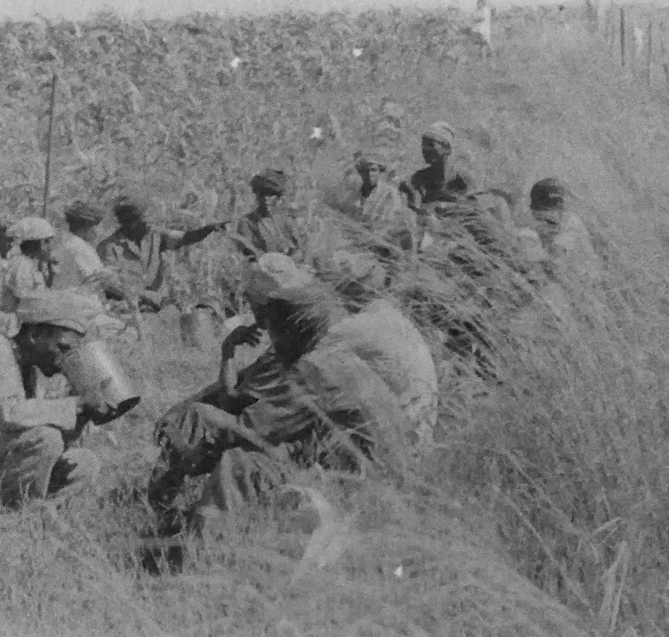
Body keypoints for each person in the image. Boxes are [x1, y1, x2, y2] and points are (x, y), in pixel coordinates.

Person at [146, 253, 437, 544]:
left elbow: (253, 431)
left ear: (290, 332)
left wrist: (203, 416)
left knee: (238, 463)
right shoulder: (334, 359)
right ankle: (183, 526)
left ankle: (190, 543)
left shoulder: (314, 370)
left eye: (273, 331)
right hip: (377, 472)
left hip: (365, 484)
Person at [0, 289, 121, 510]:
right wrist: (75, 406)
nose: (63, 358)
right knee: (46, 438)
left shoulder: (30, 371)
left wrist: (83, 417)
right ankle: (27, 514)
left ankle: (20, 514)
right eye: (62, 347)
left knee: (84, 462)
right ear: (35, 336)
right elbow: (5, 413)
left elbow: (37, 441)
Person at [97, 195, 227, 312]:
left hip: (160, 307)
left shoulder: (155, 236)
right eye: (141, 219)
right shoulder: (108, 248)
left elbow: (185, 238)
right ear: (128, 223)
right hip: (130, 309)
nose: (147, 223)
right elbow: (110, 285)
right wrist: (145, 296)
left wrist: (207, 229)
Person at [528, 178, 601, 283]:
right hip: (573, 280)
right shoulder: (563, 218)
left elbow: (555, 260)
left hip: (583, 284)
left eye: (547, 221)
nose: (542, 224)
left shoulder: (569, 225)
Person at [400, 122, 474, 211]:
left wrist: (440, 206)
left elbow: (474, 208)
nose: (425, 149)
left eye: (431, 144)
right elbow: (415, 209)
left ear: (447, 148)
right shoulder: (419, 179)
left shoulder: (462, 180)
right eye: (424, 145)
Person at [233, 169, 300, 260]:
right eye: (262, 194)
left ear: (277, 197)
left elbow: (297, 249)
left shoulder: (286, 220)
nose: (266, 198)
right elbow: (247, 255)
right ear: (256, 195)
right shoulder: (247, 222)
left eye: (271, 194)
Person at [52, 200, 112, 297]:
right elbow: (96, 280)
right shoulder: (80, 248)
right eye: (95, 226)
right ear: (86, 226)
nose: (97, 231)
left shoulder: (65, 242)